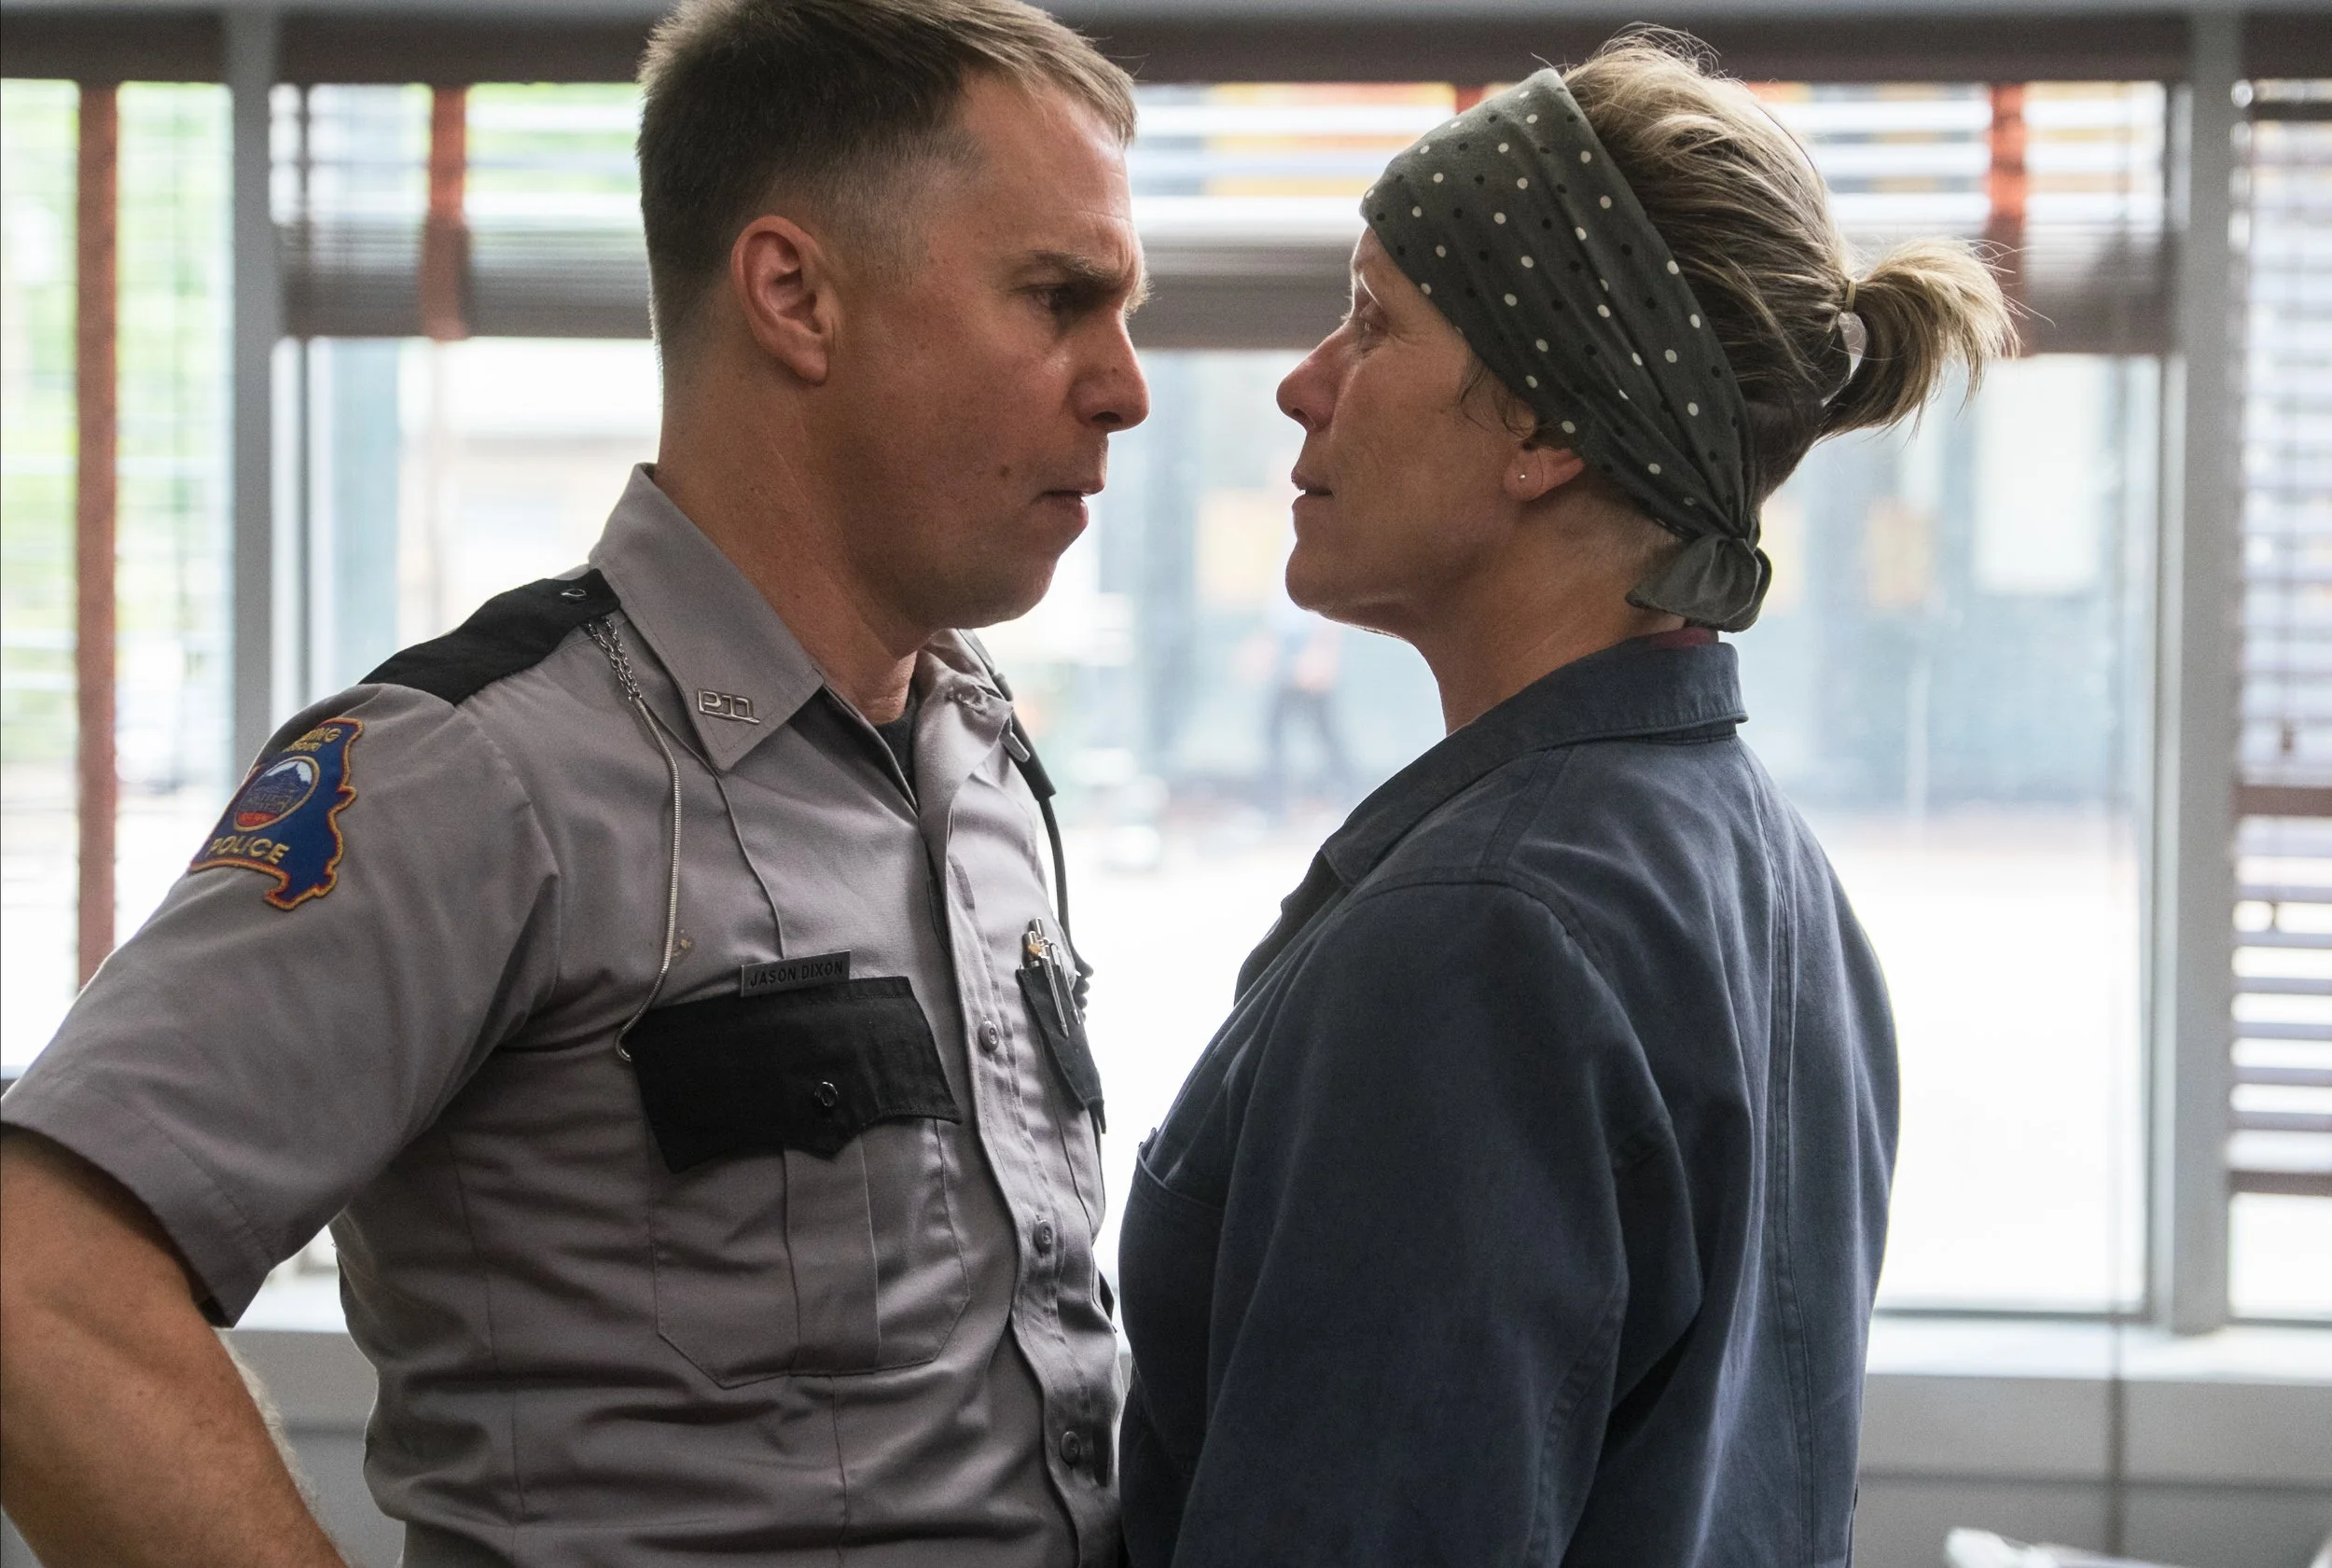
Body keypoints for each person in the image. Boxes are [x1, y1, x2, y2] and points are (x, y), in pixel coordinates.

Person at [0, 2, 1145, 1563]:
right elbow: (36, 1281)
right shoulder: (478, 772)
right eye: (1061, 299)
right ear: (796, 297)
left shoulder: (980, 754)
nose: (1125, 387)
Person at [1117, 35, 2010, 1568]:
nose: (1301, 383)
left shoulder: (1478, 943)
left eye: (1372, 322)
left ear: (1546, 431)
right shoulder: (1767, 872)